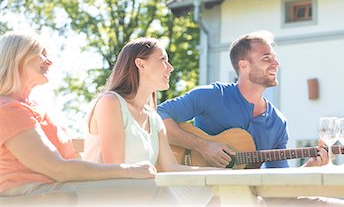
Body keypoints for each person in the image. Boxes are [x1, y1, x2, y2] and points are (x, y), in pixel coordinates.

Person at [0, 31, 202, 206]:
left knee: (175, 190)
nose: (50, 61)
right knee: (151, 190)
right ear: (18, 58)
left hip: (58, 189)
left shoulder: (31, 108)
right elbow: (57, 168)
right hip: (34, 194)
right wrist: (128, 170)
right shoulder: (9, 110)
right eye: (41, 54)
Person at [158, 30, 344, 206]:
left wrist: (308, 168)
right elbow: (158, 116)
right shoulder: (211, 95)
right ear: (244, 65)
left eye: (275, 58)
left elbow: (279, 189)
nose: (276, 64)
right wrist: (203, 146)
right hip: (199, 196)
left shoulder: (278, 123)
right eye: (267, 58)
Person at [83, 37, 213, 206]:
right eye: (163, 60)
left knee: (214, 189)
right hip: (108, 196)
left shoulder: (154, 117)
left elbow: (171, 168)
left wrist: (224, 174)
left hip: (143, 193)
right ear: (141, 64)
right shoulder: (111, 103)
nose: (170, 68)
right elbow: (114, 168)